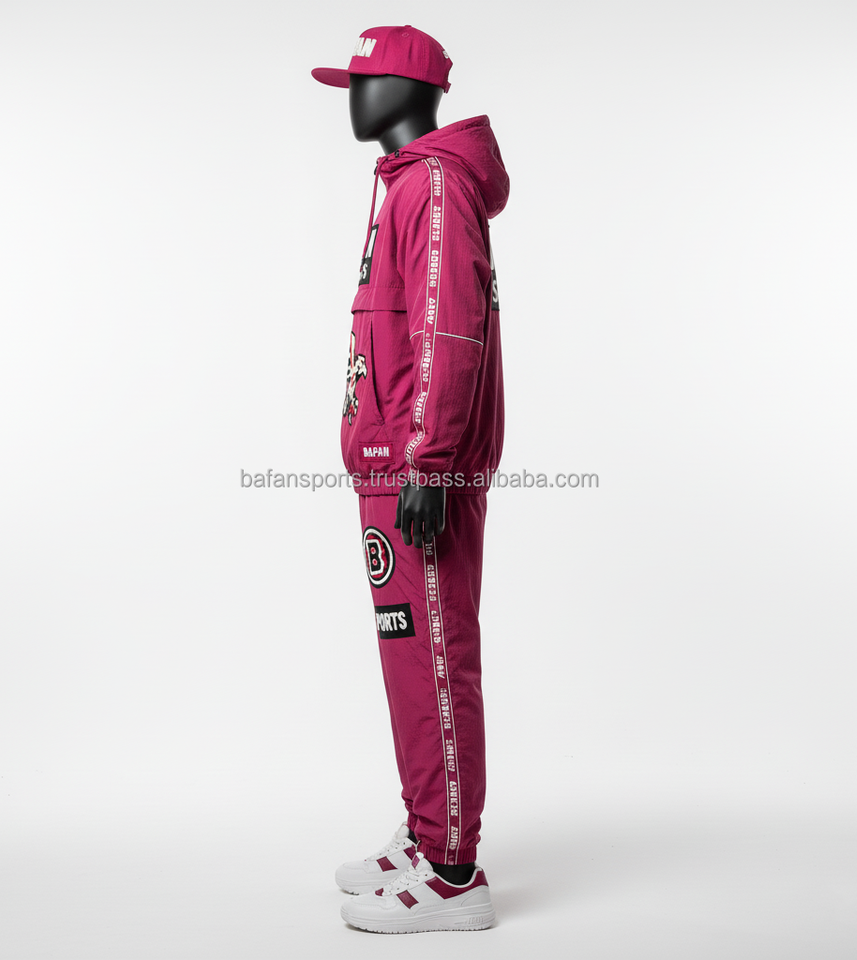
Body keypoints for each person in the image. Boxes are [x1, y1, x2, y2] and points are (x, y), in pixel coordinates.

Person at [312, 24, 509, 934]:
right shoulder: (405, 185)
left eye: (365, 81)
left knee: (434, 657)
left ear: (409, 88)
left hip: (420, 472)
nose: (354, 98)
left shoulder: (432, 185)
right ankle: (430, 833)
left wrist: (429, 461)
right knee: (410, 660)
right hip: (392, 467)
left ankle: (455, 874)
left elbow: (446, 325)